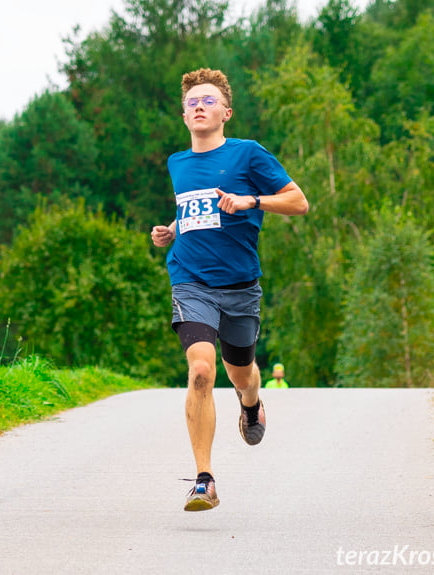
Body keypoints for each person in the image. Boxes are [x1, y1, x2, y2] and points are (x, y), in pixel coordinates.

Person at [151, 68, 308, 512]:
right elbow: (196, 211)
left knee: (242, 371)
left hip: (240, 286)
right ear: (184, 116)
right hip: (190, 279)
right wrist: (173, 229)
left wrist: (251, 201)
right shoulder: (177, 163)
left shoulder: (248, 155)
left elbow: (298, 201)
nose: (198, 106)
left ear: (226, 112)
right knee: (201, 370)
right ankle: (204, 480)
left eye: (208, 100)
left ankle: (252, 401)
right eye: (191, 103)